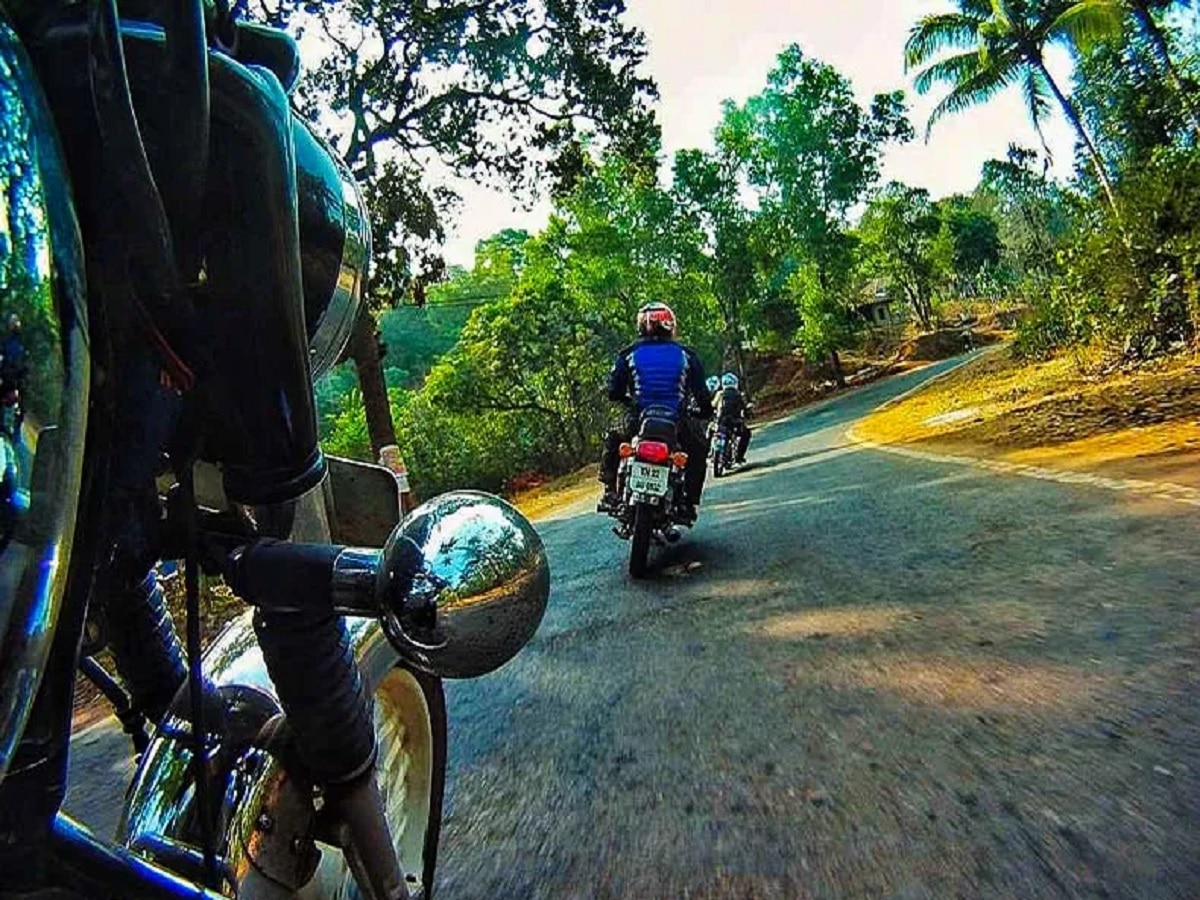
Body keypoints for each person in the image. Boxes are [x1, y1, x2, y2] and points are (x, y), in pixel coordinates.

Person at [599, 302, 714, 524]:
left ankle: (609, 491)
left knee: (612, 438)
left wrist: (627, 400)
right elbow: (702, 394)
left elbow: (614, 391)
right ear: (669, 325)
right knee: (699, 447)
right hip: (677, 421)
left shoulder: (628, 355)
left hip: (638, 418)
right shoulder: (687, 356)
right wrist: (704, 412)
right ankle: (689, 500)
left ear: (642, 326)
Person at [715, 371, 751, 465]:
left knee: (715, 433)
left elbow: (712, 405)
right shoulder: (738, 394)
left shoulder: (720, 394)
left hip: (721, 421)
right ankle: (739, 457)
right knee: (746, 434)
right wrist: (748, 415)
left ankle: (711, 454)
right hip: (735, 422)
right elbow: (744, 408)